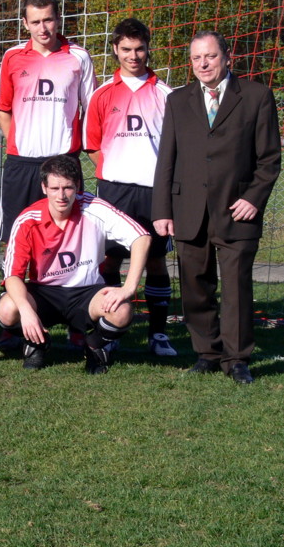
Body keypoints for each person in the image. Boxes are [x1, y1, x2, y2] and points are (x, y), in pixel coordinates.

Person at [152, 31, 281, 384]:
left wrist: (253, 198)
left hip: (237, 210)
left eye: (209, 56)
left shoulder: (256, 96)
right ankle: (207, 352)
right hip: (188, 210)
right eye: (196, 58)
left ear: (226, 57)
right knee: (195, 285)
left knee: (237, 287)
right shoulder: (178, 100)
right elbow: (167, 160)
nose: (203, 64)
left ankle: (237, 359)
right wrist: (162, 210)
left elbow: (269, 159)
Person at [0, 155, 150, 374]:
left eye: (68, 188)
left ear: (77, 186)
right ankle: (38, 342)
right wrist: (26, 311)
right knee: (7, 310)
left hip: (86, 292)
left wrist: (128, 288)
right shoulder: (27, 219)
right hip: (44, 293)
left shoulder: (94, 207)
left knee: (122, 311)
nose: (61, 195)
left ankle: (94, 345)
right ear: (44, 188)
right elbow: (13, 275)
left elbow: (142, 238)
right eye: (55, 188)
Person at [84, 18, 176, 357]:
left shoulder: (166, 94)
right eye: (126, 49)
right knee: (109, 260)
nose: (133, 56)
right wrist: (117, 171)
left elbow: (175, 148)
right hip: (115, 192)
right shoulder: (101, 94)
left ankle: (158, 334)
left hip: (154, 191)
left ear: (148, 49)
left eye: (139, 49)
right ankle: (110, 329)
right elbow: (92, 145)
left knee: (156, 261)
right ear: (115, 50)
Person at [0, 0, 95, 243]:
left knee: (66, 238)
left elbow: (91, 110)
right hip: (22, 163)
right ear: (25, 23)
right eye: (36, 22)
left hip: (64, 162)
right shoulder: (12, 56)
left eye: (48, 20)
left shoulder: (79, 57)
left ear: (58, 19)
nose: (43, 28)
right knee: (18, 238)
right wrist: (18, 143)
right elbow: (3, 109)